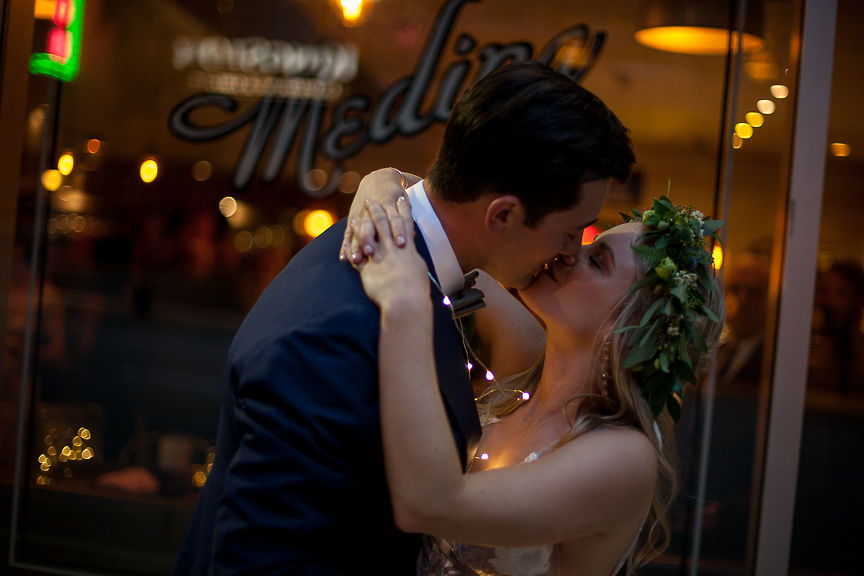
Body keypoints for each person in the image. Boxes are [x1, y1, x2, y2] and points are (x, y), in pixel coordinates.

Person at [173, 60, 635, 575]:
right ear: (502, 215)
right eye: (573, 231)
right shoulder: (337, 334)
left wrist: (385, 178)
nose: (570, 251)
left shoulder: (429, 271)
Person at [355, 195, 724, 576]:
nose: (568, 254)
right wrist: (379, 182)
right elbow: (440, 215)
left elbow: (429, 505)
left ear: (630, 329)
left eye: (596, 260)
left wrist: (407, 308)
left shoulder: (623, 456)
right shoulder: (526, 351)